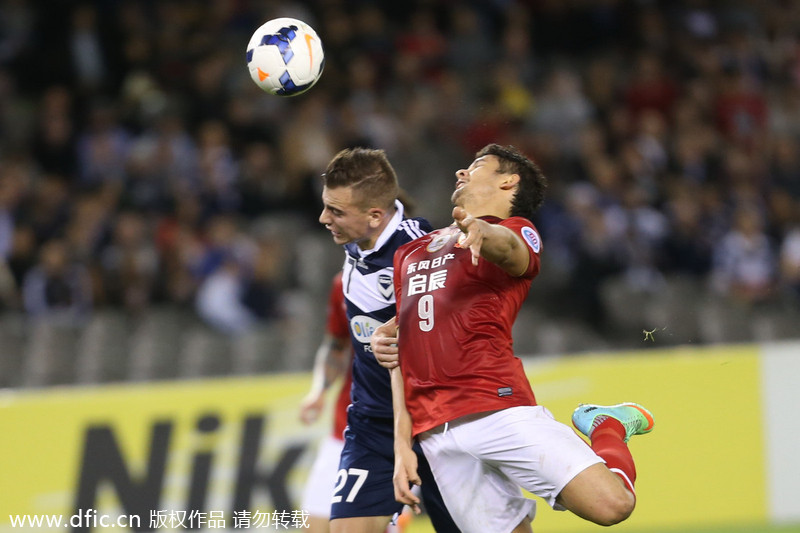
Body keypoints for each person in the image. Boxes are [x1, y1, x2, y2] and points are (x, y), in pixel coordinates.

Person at [371, 144, 655, 533]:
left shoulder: (516, 232)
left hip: (496, 407)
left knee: (612, 506)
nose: (460, 172)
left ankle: (608, 425)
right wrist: (402, 445)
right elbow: (402, 356)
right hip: (436, 434)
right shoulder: (409, 253)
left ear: (509, 181)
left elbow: (510, 251)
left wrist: (481, 231)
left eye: (476, 165)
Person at [318, 148, 459, 533]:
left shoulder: (420, 254)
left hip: (435, 420)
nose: (324, 218)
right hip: (372, 423)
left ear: (375, 216)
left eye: (336, 212)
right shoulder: (360, 238)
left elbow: (424, 349)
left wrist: (404, 446)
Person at [299, 272, 353, 533]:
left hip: (403, 433)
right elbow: (338, 343)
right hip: (346, 427)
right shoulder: (343, 282)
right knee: (315, 524)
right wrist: (319, 390)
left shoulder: (416, 273)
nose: (329, 227)